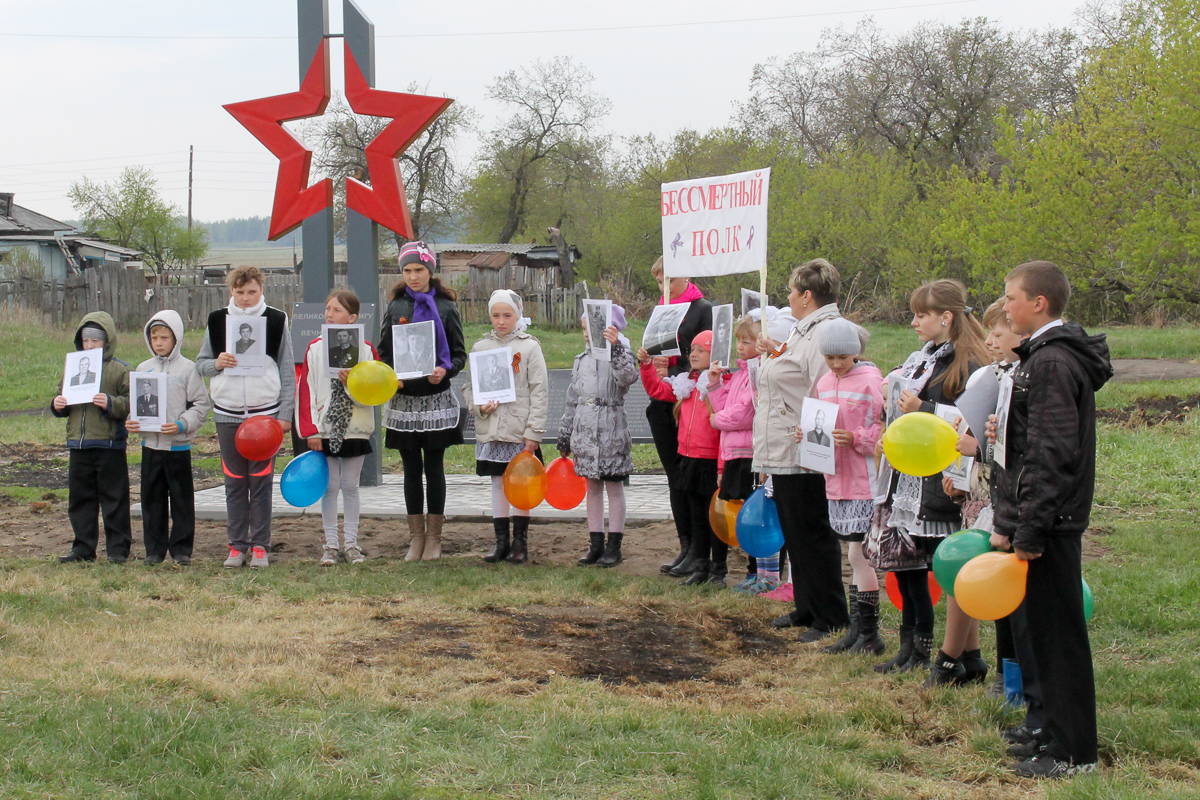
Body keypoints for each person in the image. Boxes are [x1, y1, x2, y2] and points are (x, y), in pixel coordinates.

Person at [987, 261, 1111, 779]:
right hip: (1038, 518)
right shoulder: (1040, 358)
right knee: (1039, 634)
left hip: (1051, 523)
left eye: (1012, 297)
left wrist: (1031, 527)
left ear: (1039, 303)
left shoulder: (1054, 363)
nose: (1006, 305)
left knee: (1059, 639)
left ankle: (1073, 752)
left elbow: (1050, 452)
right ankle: (1051, 731)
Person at [868, 279, 988, 672]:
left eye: (922, 315)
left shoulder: (969, 364)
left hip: (939, 483)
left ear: (946, 317)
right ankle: (909, 648)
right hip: (908, 478)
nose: (915, 322)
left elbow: (969, 423)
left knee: (934, 567)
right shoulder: (925, 357)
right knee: (906, 565)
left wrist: (924, 407)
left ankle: (933, 650)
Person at [753, 259, 864, 642]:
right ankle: (807, 606)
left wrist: (818, 442)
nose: (787, 296)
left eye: (791, 290)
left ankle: (829, 614)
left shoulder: (824, 335)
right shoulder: (805, 332)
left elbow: (825, 387)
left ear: (806, 295)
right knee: (795, 531)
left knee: (812, 532)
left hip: (806, 447)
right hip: (786, 443)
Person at [924, 298, 1020, 688]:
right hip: (980, 492)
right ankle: (970, 657)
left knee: (989, 578)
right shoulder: (995, 375)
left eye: (1000, 333)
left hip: (1003, 498)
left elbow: (1007, 443)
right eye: (991, 333)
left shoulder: (1017, 378)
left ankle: (997, 670)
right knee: (966, 573)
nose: (992, 341)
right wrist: (962, 477)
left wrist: (976, 449)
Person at [197, 265, 294, 569]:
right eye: (240, 292)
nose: (246, 298)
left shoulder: (277, 320)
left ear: (261, 290)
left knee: (261, 483)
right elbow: (200, 364)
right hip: (227, 414)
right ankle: (237, 546)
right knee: (235, 483)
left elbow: (287, 369)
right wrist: (218, 364)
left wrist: (285, 414)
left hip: (264, 415)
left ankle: (261, 546)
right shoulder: (216, 321)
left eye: (252, 291)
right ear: (231, 292)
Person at [379, 241, 467, 562]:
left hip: (434, 401)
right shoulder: (396, 307)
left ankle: (434, 538)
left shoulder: (446, 307)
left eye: (419, 269)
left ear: (430, 270)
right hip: (404, 402)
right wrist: (392, 375)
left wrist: (444, 370)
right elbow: (384, 353)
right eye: (407, 270)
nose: (413, 276)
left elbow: (459, 355)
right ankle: (415, 538)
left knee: (434, 467)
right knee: (410, 470)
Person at [809, 317, 885, 655]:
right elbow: (817, 419)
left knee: (860, 553)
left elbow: (884, 429)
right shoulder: (824, 381)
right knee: (853, 554)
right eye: (831, 358)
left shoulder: (872, 381)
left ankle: (868, 632)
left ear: (856, 353)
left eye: (844, 358)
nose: (837, 365)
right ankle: (859, 630)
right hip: (835, 479)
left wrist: (857, 438)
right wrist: (807, 434)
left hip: (864, 479)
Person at [464, 289, 549, 564]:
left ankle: (520, 542)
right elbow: (469, 387)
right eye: (496, 315)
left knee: (520, 484)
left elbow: (539, 391)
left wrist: (533, 431)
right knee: (498, 483)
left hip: (518, 430)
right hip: (491, 429)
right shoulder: (480, 348)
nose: (501, 321)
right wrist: (479, 406)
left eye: (507, 315)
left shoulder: (529, 347)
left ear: (518, 314)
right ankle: (500, 541)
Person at [297, 290, 378, 567]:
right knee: (330, 487)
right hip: (326, 428)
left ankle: (352, 544)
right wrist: (312, 430)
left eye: (337, 310)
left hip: (355, 426)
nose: (329, 314)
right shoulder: (315, 348)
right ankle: (331, 544)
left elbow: (373, 391)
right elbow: (306, 390)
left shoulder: (366, 349)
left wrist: (350, 383)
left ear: (352, 318)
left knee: (350, 486)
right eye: (328, 309)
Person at [127, 310, 212, 565]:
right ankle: (154, 550)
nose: (160, 342)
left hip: (177, 447)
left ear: (176, 339)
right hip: (150, 445)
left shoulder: (188, 369)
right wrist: (132, 421)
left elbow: (201, 405)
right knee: (152, 500)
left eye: (165, 337)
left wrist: (181, 425)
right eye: (155, 337)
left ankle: (181, 550)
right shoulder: (143, 369)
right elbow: (137, 405)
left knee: (181, 499)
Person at [641, 330, 724, 585]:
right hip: (688, 457)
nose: (693, 354)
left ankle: (718, 570)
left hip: (710, 460)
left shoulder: (719, 385)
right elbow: (657, 389)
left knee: (715, 519)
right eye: (693, 349)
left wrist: (722, 465)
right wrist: (646, 366)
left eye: (701, 349)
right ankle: (700, 568)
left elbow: (724, 426)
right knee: (697, 516)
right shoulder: (686, 383)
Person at [645, 257, 712, 575]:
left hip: (689, 400)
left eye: (669, 280)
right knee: (674, 477)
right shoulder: (661, 309)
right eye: (659, 282)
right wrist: (654, 363)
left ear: (685, 274)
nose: (665, 288)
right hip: (663, 399)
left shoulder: (701, 308)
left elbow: (707, 355)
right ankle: (684, 545)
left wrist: (680, 367)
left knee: (690, 478)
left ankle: (700, 549)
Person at [558, 304, 638, 567]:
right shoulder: (581, 360)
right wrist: (566, 431)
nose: (585, 334)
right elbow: (573, 398)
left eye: (589, 328)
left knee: (614, 487)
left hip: (610, 429)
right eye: (583, 329)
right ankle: (595, 543)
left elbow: (628, 377)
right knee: (592, 488)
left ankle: (614, 545)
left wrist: (615, 350)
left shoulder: (622, 354)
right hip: (585, 431)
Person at [51, 313, 132, 563]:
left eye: (95, 341)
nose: (89, 346)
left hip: (109, 444)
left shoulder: (120, 370)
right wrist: (58, 405)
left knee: (114, 499)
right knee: (80, 500)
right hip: (79, 444)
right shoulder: (72, 369)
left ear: (107, 342)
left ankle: (117, 550)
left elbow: (132, 402)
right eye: (85, 341)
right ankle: (83, 548)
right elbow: (61, 399)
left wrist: (111, 403)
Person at [706, 315, 768, 591]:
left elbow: (743, 414)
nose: (741, 347)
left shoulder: (756, 375)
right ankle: (727, 569)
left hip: (749, 454)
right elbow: (723, 406)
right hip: (732, 453)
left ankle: (756, 570)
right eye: (739, 341)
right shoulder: (740, 374)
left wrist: (717, 420)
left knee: (753, 513)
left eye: (747, 341)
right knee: (734, 509)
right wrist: (715, 384)